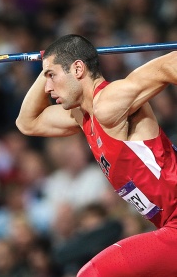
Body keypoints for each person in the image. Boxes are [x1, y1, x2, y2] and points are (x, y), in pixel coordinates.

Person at [16, 34, 177, 276]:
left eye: (52, 76)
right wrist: (48, 62)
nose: (47, 88)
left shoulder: (109, 104)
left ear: (78, 68)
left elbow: (168, 64)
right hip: (169, 226)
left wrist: (54, 59)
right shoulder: (83, 118)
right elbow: (28, 123)